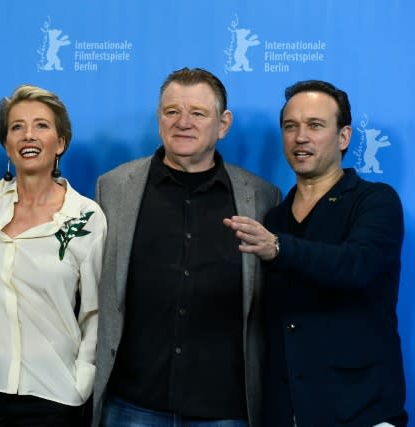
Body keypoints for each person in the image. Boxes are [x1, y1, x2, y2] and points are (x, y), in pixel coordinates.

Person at [92, 67, 281, 427]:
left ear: (223, 124)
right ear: (159, 118)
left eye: (198, 113)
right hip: (133, 403)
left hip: (224, 408)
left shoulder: (260, 197)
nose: (183, 122)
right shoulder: (114, 188)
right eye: (172, 111)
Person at [223, 80, 407, 427]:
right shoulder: (275, 215)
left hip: (362, 410)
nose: (300, 137)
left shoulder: (374, 201)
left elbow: (356, 265)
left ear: (344, 137)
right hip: (286, 410)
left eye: (315, 125)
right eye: (290, 126)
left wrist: (279, 248)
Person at [0, 84, 107, 426]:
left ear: (60, 142)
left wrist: (81, 382)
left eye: (41, 125)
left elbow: (96, 311)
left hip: (53, 395)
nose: (28, 135)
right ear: (5, 142)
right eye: (17, 126)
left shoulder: (86, 217)